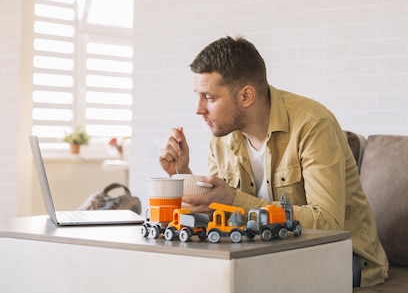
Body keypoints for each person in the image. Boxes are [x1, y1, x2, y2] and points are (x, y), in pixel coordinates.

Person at [158, 36, 388, 287]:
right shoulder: (222, 136)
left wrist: (236, 200)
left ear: (246, 96)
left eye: (209, 97)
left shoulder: (312, 124)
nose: (198, 108)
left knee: (255, 281)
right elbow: (218, 212)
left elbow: (327, 223)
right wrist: (183, 173)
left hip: (344, 256)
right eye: (198, 96)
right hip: (265, 253)